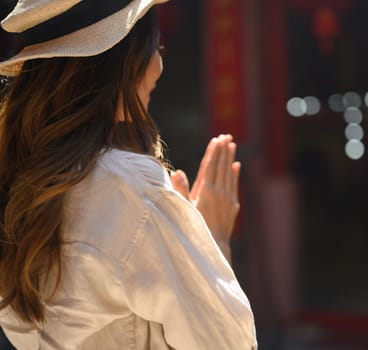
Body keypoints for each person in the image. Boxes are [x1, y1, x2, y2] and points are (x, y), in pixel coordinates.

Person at [0, 1, 257, 349]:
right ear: (124, 60)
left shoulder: (18, 186)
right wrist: (213, 240)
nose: (159, 64)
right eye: (155, 46)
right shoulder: (127, 191)